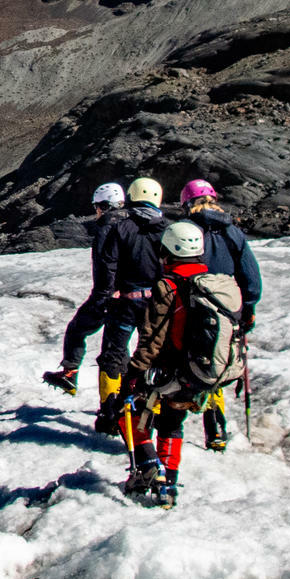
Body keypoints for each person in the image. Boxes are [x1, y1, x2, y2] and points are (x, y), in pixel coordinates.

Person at [113, 220, 244, 508]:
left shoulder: (167, 286)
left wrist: (133, 375)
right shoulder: (217, 284)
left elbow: (152, 338)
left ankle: (148, 465)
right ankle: (168, 485)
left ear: (168, 251)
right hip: (199, 372)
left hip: (170, 371)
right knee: (172, 424)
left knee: (125, 412)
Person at [179, 179, 262, 452]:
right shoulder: (232, 233)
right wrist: (247, 307)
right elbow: (250, 274)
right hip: (227, 309)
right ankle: (215, 429)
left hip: (191, 305)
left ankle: (171, 423)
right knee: (218, 360)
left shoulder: (186, 230)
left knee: (185, 361)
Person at [89, 176, 170, 433]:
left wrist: (105, 294)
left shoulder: (120, 226)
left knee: (113, 356)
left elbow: (107, 264)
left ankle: (109, 413)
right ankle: (149, 412)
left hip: (124, 302)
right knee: (153, 356)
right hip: (158, 304)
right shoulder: (167, 228)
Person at [42, 182, 132, 397]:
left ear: (104, 205)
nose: (96, 211)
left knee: (76, 329)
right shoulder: (133, 225)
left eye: (97, 206)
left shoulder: (106, 228)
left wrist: (103, 295)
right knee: (118, 343)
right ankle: (129, 389)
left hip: (108, 295)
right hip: (134, 295)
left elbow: (104, 265)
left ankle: (70, 373)